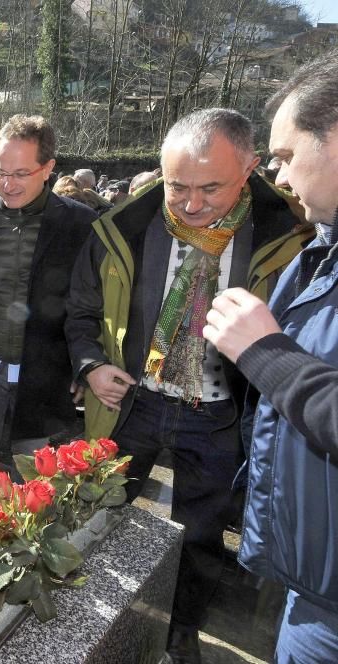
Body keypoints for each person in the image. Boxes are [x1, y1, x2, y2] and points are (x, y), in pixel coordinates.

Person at [65, 107, 312, 663]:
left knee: (201, 540)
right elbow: (81, 313)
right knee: (97, 516)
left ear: (250, 169)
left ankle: (180, 631)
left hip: (222, 416)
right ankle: (94, 619)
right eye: (178, 187)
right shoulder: (120, 228)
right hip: (134, 404)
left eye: (211, 188)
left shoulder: (291, 238)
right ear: (160, 171)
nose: (193, 204)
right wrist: (90, 365)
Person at [202, 49, 338, 664]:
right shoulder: (317, 253)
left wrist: (266, 353)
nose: (279, 179)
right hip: (310, 573)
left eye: (284, 157)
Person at [0, 116, 96, 475]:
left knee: (34, 474)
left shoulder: (81, 225)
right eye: (0, 172)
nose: (7, 185)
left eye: (20, 174)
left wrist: (85, 364)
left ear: (48, 169)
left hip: (46, 372)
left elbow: (92, 303)